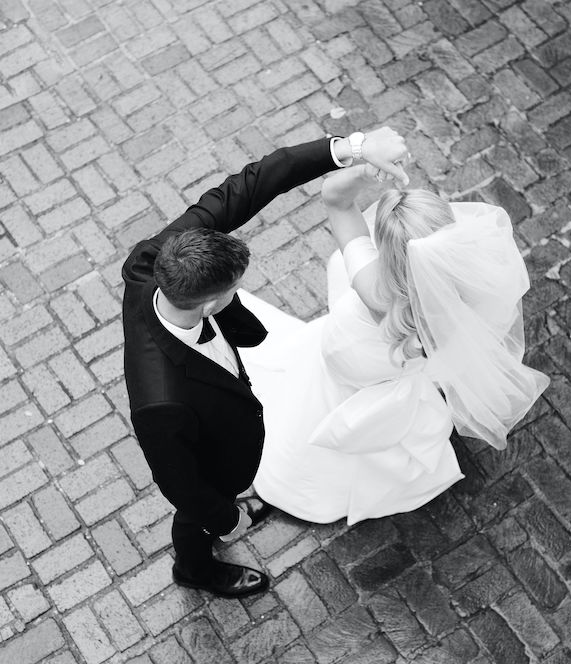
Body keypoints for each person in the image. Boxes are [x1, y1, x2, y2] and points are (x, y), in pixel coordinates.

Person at [121, 127, 409, 599]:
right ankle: (194, 570)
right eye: (235, 288)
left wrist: (356, 147)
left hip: (212, 374)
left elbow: (258, 180)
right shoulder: (162, 403)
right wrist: (226, 518)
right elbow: (181, 485)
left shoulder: (154, 260)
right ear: (209, 303)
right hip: (214, 469)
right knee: (197, 521)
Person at [240, 163, 550, 525]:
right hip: (382, 377)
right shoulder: (464, 304)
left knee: (311, 415)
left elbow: (336, 199)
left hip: (343, 366)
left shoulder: (372, 285)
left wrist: (363, 166)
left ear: (387, 251)